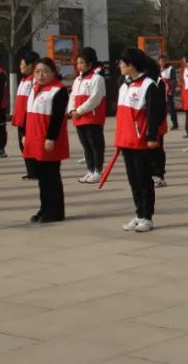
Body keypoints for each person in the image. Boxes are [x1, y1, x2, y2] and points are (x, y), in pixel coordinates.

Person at [115, 48, 166, 232]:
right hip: (125, 140)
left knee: (144, 180)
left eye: (122, 63)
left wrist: (151, 136)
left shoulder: (148, 85)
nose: (120, 66)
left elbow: (155, 113)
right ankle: (139, 214)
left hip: (141, 142)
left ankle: (147, 217)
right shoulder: (124, 85)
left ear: (131, 65)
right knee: (133, 181)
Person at [23, 58, 70, 224]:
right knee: (42, 178)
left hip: (48, 140)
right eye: (37, 72)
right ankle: (44, 208)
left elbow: (57, 118)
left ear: (53, 72)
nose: (40, 75)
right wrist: (24, 133)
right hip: (35, 139)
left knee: (51, 177)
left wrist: (51, 138)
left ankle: (55, 211)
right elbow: (28, 113)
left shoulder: (59, 90)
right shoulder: (34, 88)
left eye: (45, 71)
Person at [69, 47, 107, 184]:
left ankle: (98, 171)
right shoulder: (77, 80)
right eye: (78, 63)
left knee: (95, 145)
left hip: (92, 118)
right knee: (86, 145)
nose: (79, 65)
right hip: (79, 118)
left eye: (82, 63)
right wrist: (72, 110)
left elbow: (95, 98)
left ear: (90, 64)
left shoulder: (97, 79)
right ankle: (90, 170)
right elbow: (73, 96)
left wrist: (79, 110)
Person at [11, 51, 39, 180]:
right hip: (21, 119)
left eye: (23, 64)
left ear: (31, 65)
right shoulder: (23, 80)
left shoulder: (35, 80)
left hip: (29, 118)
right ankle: (31, 171)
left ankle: (35, 172)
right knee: (23, 146)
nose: (20, 66)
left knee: (30, 145)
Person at [158, 55, 179, 130]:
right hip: (160, 91)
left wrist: (171, 89)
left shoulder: (170, 69)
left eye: (164, 61)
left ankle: (175, 123)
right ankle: (160, 122)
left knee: (171, 107)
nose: (162, 62)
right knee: (160, 107)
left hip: (168, 90)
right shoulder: (158, 69)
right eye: (161, 61)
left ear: (166, 61)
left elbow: (174, 80)